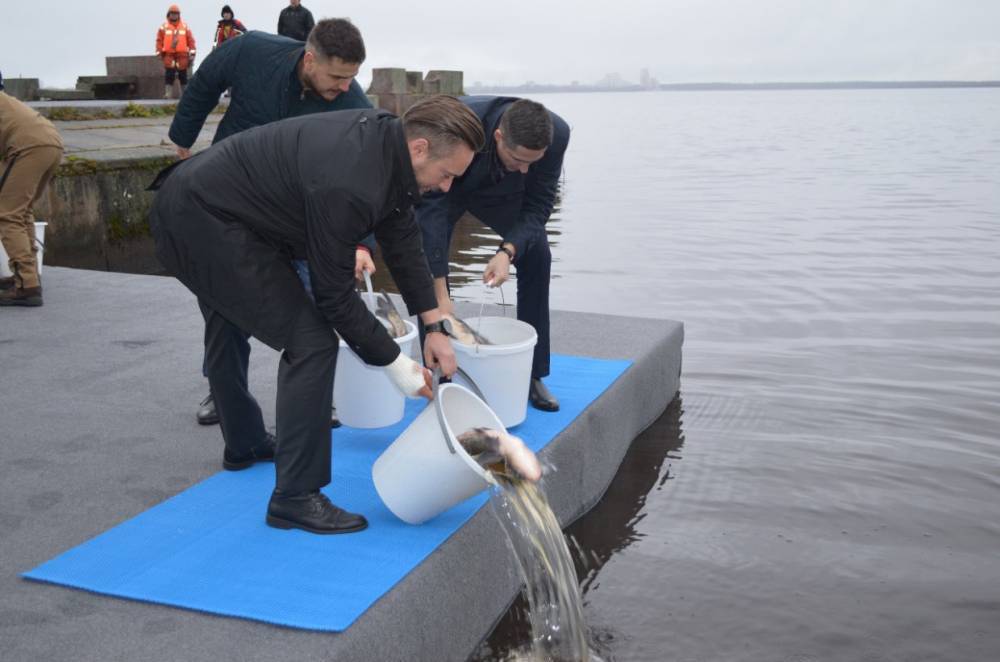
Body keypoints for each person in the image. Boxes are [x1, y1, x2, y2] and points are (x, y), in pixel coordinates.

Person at [148, 95, 484, 534]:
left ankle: (245, 444)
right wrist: (395, 364)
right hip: (199, 219)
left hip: (224, 208)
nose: (446, 189)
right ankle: (295, 497)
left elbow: (403, 241)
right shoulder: (349, 181)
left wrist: (433, 325)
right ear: (419, 148)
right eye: (446, 175)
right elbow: (334, 298)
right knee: (311, 339)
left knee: (231, 314)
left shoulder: (388, 146)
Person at [169, 18, 374, 427]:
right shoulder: (252, 50)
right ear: (310, 58)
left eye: (351, 77)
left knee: (318, 299)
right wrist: (183, 144)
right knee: (226, 307)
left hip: (297, 214)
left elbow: (368, 177)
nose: (344, 86)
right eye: (336, 76)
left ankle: (314, 393)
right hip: (231, 204)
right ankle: (224, 391)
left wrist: (362, 242)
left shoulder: (353, 105)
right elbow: (206, 81)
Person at [415, 96, 570, 412]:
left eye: (533, 162)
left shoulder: (558, 133)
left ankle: (533, 374)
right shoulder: (459, 123)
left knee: (538, 253)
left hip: (500, 193)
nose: (526, 169)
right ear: (498, 136)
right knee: (426, 260)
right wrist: (440, 294)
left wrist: (507, 251)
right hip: (446, 188)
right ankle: (438, 371)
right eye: (518, 159)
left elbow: (539, 205)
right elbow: (430, 213)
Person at [0, 74, 64, 307]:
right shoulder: (5, 100)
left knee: (7, 213)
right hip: (50, 142)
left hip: (28, 147)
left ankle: (27, 286)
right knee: (21, 210)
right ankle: (28, 275)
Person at [155, 4, 196, 100]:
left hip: (182, 55)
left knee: (183, 75)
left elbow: (191, 40)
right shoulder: (163, 27)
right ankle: (168, 94)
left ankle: (185, 95)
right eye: (172, 14)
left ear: (179, 15)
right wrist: (159, 52)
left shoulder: (185, 27)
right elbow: (159, 40)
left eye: (176, 14)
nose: (174, 15)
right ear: (168, 15)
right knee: (169, 74)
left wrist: (192, 53)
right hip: (168, 55)